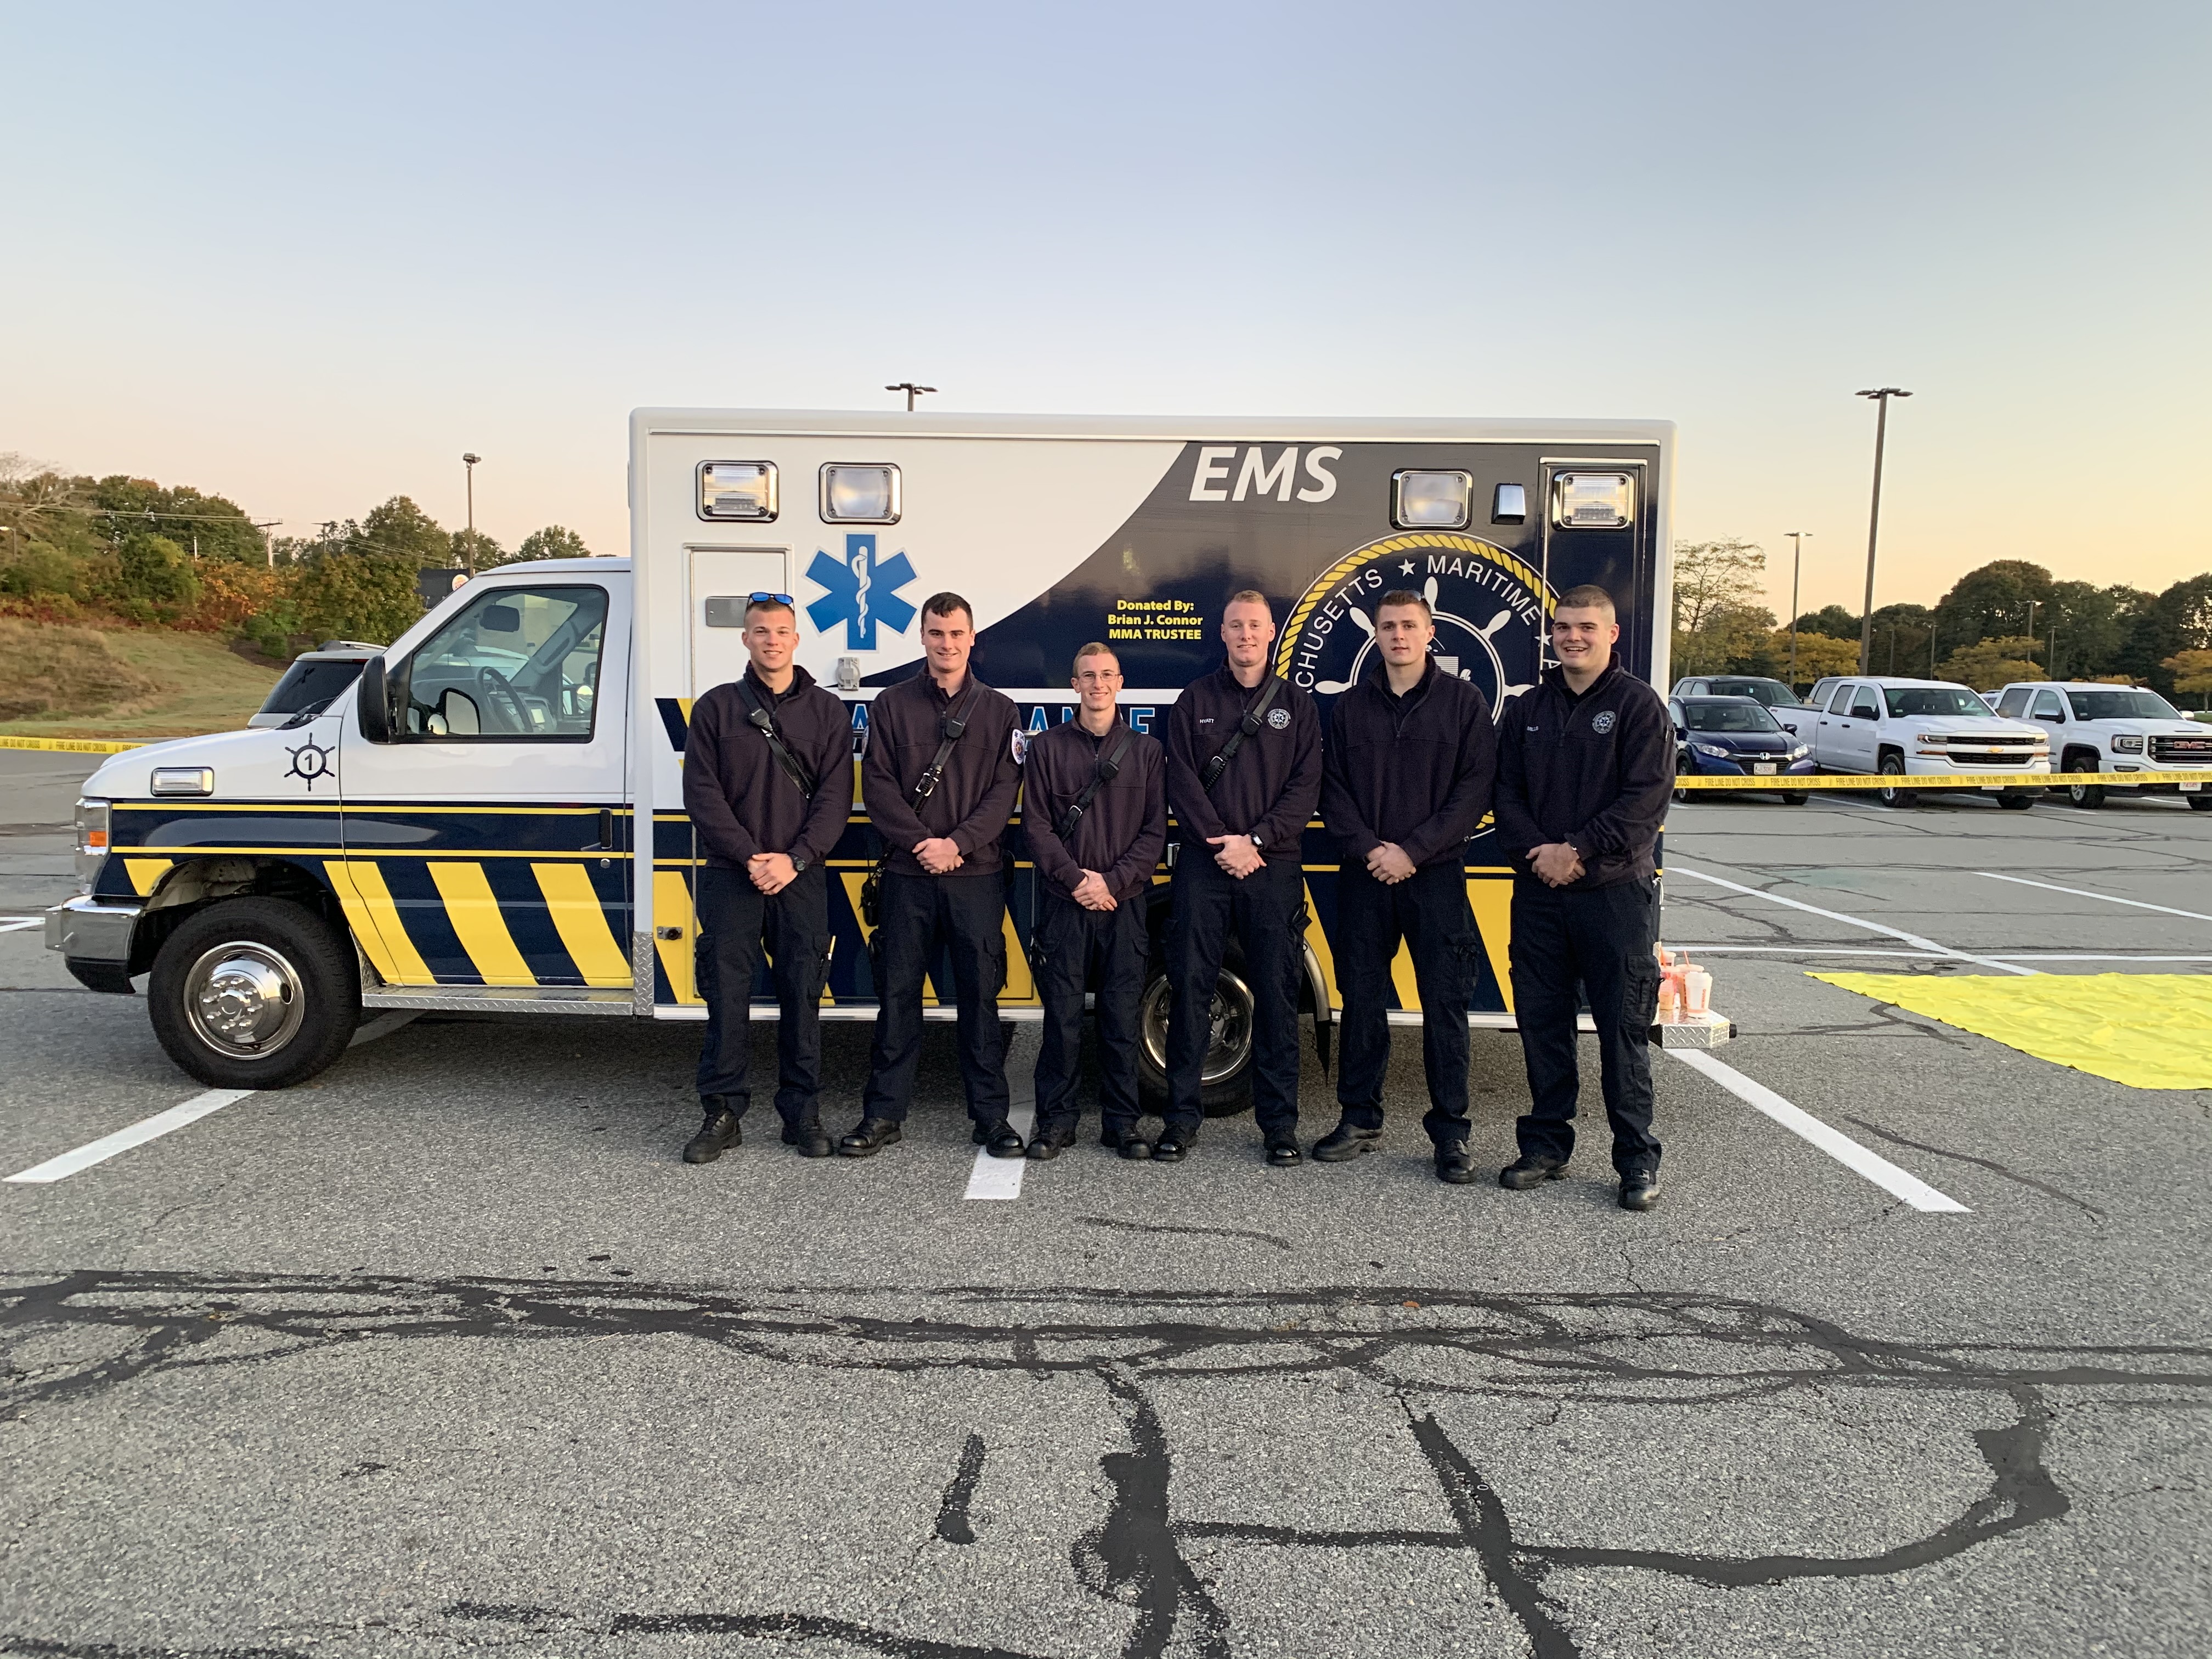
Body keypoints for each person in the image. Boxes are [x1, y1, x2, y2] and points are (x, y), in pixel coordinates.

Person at [1493, 583, 1675, 1210]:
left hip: (1613, 896)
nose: (1573, 636)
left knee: (1622, 1029)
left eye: (1586, 628)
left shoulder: (1639, 707)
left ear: (1612, 634)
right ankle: (1546, 1146)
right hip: (1540, 894)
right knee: (1543, 1024)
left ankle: (1636, 1161)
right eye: (1564, 627)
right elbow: (1505, 796)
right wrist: (1542, 853)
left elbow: (1645, 802)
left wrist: (1577, 849)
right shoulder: (1527, 708)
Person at [1316, 590, 1498, 1182]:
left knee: (1445, 1004)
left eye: (1409, 626)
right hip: (1366, 875)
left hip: (1436, 876)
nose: (1398, 635)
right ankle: (1360, 1117)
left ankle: (1451, 1133)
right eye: (1389, 626)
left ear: (1429, 634)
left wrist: (1413, 851)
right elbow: (1332, 791)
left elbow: (1474, 792)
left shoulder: (1463, 704)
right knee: (1362, 1000)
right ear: (1376, 635)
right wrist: (1372, 849)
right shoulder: (1349, 710)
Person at [844, 592, 1024, 1159]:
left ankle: (991, 1118)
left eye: (957, 634)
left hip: (976, 876)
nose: (947, 644)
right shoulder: (890, 705)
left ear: (973, 639)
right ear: (922, 637)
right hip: (907, 874)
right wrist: (924, 843)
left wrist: (958, 844)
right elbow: (877, 788)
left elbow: (1004, 794)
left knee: (980, 999)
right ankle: (883, 1114)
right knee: (898, 998)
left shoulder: (1000, 711)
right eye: (937, 633)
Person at [679, 596, 856, 1162]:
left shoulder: (827, 712)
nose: (772, 641)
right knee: (725, 997)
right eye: (761, 632)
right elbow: (702, 796)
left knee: (802, 996)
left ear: (797, 640)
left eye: (782, 632)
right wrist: (752, 856)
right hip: (734, 877)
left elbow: (836, 798)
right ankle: (722, 1113)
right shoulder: (714, 709)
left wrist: (796, 859)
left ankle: (801, 1114)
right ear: (746, 640)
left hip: (800, 878)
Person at [1161, 589, 1323, 1166]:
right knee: (1191, 988)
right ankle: (1180, 1119)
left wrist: (1254, 841)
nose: (1246, 635)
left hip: (1271, 866)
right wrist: (1222, 842)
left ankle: (1279, 1126)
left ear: (1272, 632)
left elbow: (1305, 788)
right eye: (1236, 626)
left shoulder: (1297, 706)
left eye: (1255, 626)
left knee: (1278, 996)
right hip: (1206, 866)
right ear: (1222, 634)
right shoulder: (1195, 699)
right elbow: (1179, 778)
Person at [1020, 643, 1167, 1162]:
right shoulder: (1047, 750)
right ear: (1074, 685)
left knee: (1121, 1016)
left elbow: (1154, 832)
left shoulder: (1146, 752)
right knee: (1060, 1018)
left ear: (1120, 683)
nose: (1098, 684)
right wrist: (1076, 878)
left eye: (1107, 675)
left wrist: (1114, 882)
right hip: (1065, 902)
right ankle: (1057, 1122)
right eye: (1088, 676)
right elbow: (1035, 825)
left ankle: (1122, 1124)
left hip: (1123, 905)